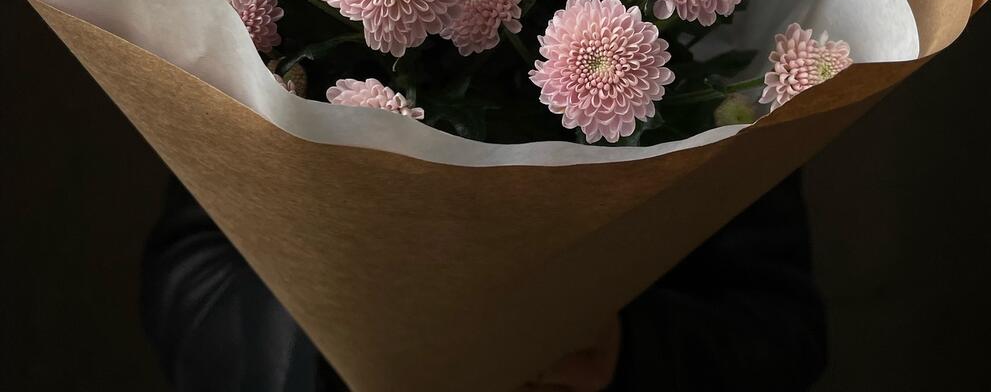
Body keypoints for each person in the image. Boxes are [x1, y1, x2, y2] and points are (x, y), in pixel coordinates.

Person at [141, 173, 826, 391]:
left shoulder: (723, 12)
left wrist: (623, 348)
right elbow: (190, 275)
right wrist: (335, 323)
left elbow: (783, 328)